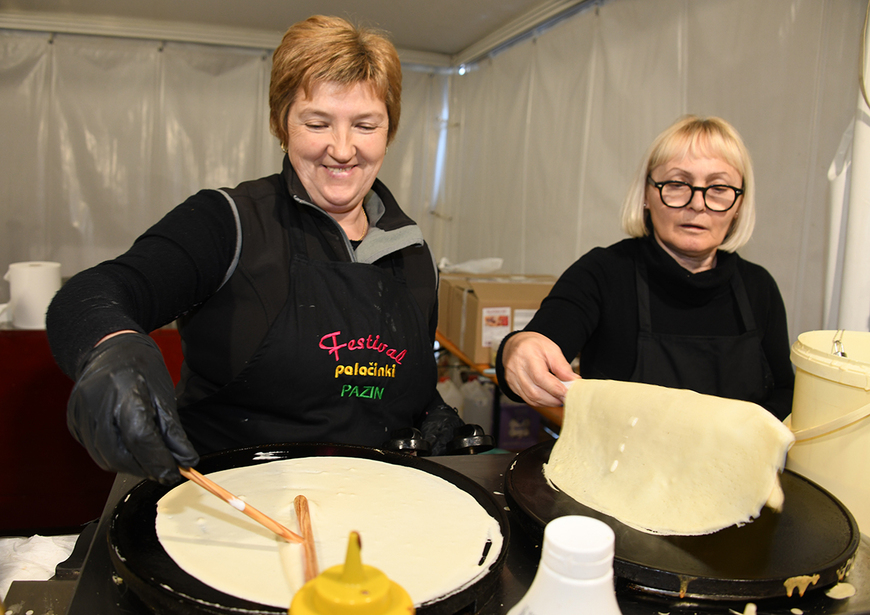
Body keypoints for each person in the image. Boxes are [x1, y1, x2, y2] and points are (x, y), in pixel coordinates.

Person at [46, 15, 464, 485]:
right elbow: (95, 292)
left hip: (371, 514)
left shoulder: (413, 253)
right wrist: (110, 349)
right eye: (317, 122)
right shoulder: (228, 222)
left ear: (388, 133)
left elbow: (404, 382)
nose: (343, 150)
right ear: (281, 124)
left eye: (365, 125)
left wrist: (432, 410)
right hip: (232, 513)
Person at [496, 115, 794, 420]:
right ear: (646, 196)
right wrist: (518, 347)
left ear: (739, 205)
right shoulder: (604, 273)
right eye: (678, 184)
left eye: (718, 188)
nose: (698, 204)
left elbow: (785, 391)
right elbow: (543, 340)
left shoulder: (759, 287)